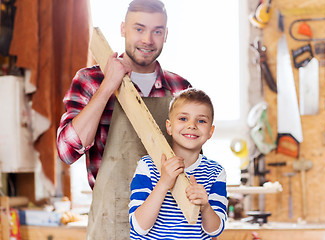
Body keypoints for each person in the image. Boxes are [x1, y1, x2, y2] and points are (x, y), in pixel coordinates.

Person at [56, 0, 191, 238]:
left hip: (167, 227)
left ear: (166, 34)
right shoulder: (90, 80)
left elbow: (193, 164)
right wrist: (108, 85)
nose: (148, 40)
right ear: (122, 29)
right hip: (110, 224)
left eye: (157, 31)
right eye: (139, 29)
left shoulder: (180, 89)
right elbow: (67, 151)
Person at [129, 88, 228, 239]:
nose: (192, 125)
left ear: (210, 131)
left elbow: (215, 231)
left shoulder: (215, 172)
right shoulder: (148, 166)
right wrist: (163, 183)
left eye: (201, 121)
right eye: (183, 118)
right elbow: (139, 227)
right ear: (169, 126)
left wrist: (206, 206)